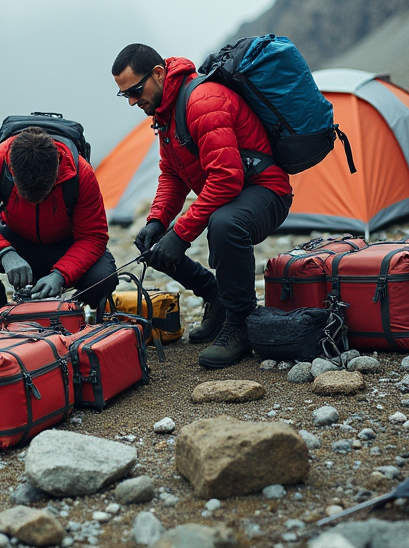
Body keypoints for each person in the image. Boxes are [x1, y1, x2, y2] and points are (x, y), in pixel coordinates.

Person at [111, 44, 292, 368]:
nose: (133, 101)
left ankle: (240, 324)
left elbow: (226, 178)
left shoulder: (203, 101)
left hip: (266, 190)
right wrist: (157, 222)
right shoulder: (165, 115)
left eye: (135, 90)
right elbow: (172, 175)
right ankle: (215, 296)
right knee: (153, 244)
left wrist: (180, 234)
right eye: (124, 95)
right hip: (235, 193)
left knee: (224, 224)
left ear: (158, 74)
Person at [0, 126, 117, 309]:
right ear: (12, 172)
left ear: (56, 171)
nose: (35, 201)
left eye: (44, 193)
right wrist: (4, 253)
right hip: (17, 241)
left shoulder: (80, 174)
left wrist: (60, 275)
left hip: (65, 246)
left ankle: (74, 314)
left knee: (103, 278)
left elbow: (93, 236)